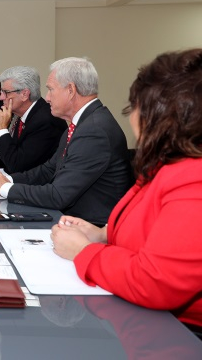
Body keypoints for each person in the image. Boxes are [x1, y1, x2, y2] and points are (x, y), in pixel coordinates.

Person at [51, 49, 202, 330]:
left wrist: (85, 251)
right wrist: (102, 234)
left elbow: (156, 282)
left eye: (133, 107)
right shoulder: (165, 166)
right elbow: (153, 226)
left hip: (177, 333)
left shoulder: (193, 178)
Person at [0, 57, 131, 225]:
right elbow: (48, 170)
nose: (47, 98)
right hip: (70, 219)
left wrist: (5, 188)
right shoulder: (82, 124)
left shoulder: (94, 130)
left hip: (89, 227)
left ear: (71, 90)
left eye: (51, 90)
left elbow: (58, 195)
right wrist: (8, 179)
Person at [0, 66, 67, 173]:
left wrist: (2, 130)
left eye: (6, 92)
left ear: (24, 94)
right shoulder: (21, 115)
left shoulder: (46, 120)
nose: (1, 97)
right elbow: (13, 152)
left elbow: (17, 164)